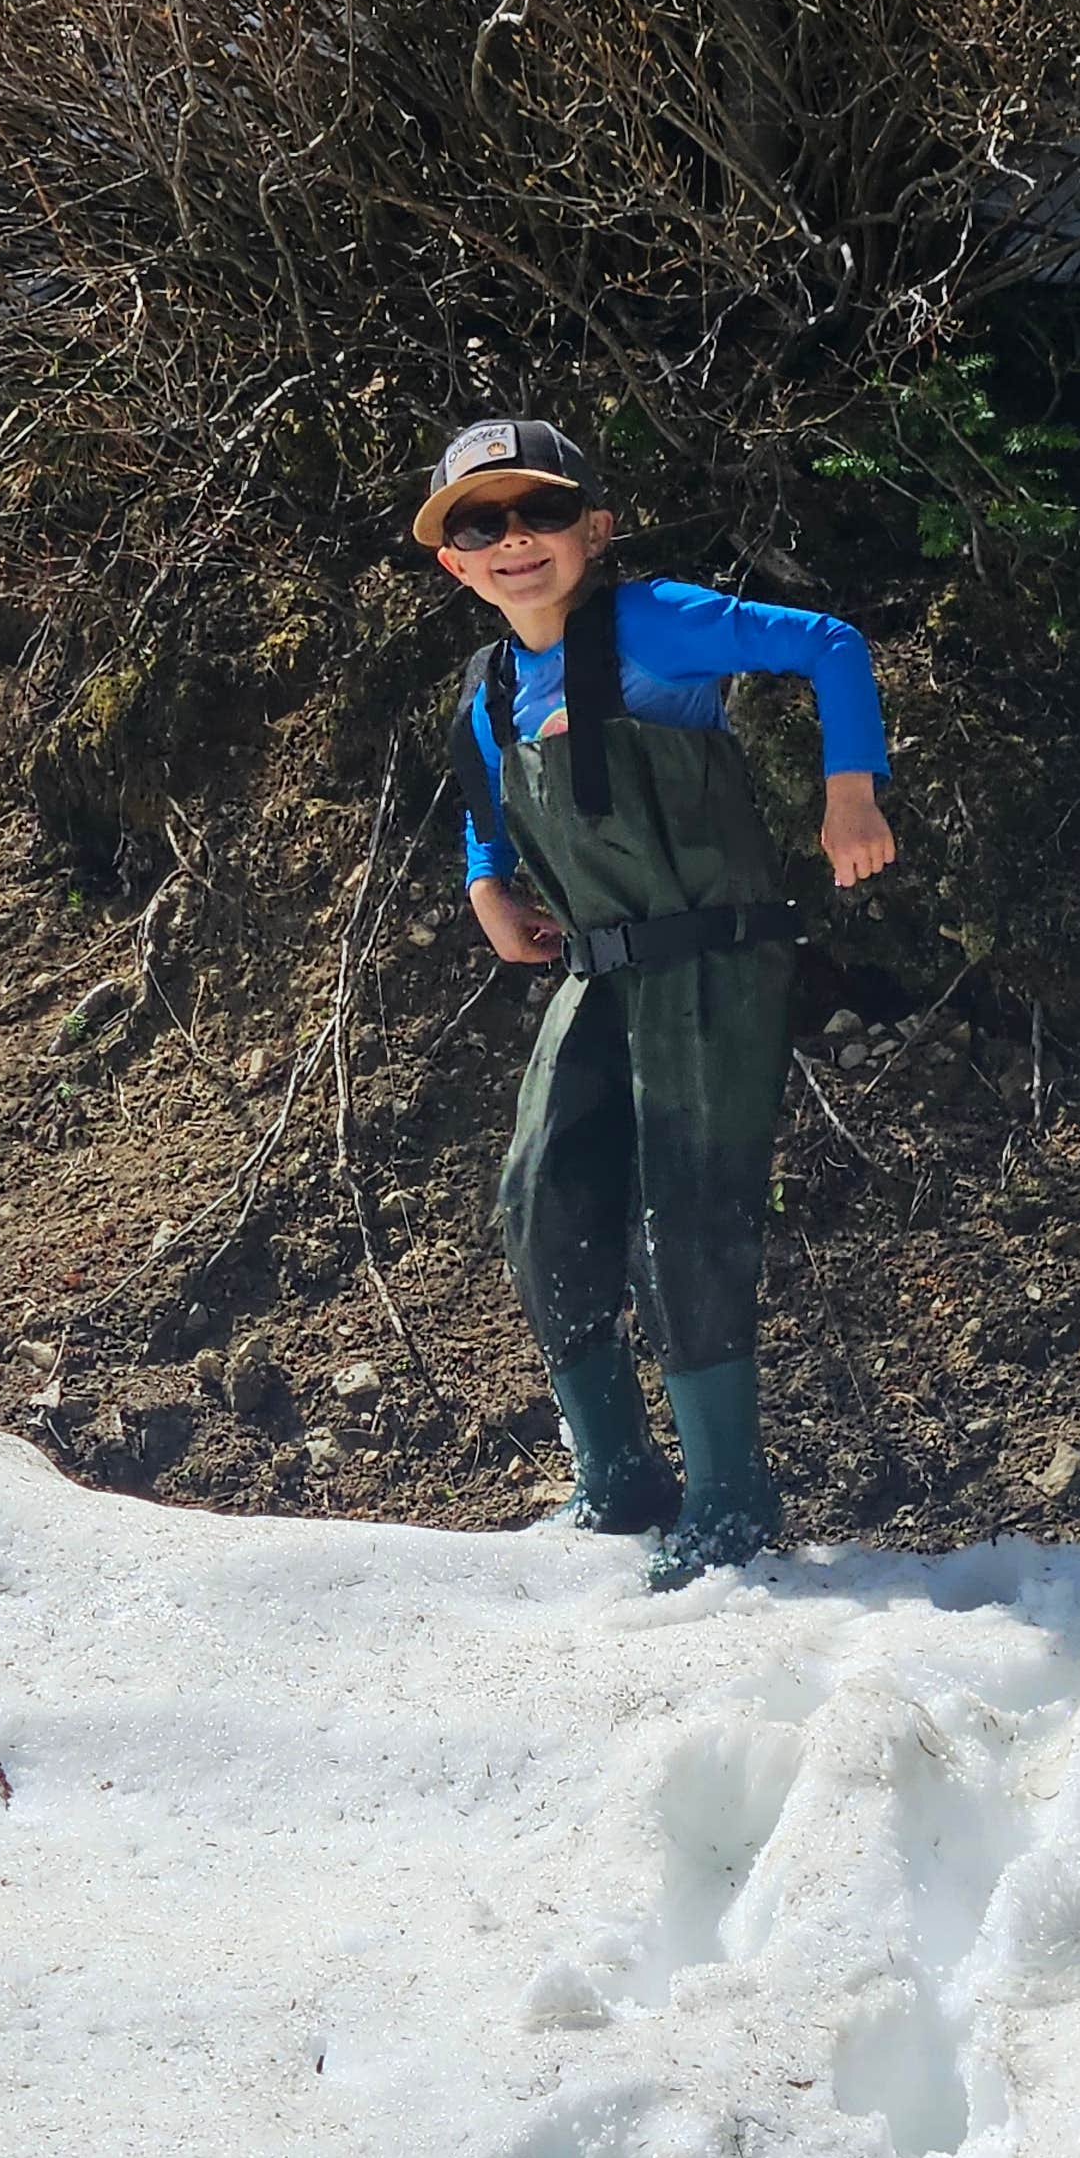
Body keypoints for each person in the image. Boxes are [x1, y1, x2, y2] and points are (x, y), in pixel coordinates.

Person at [416, 415, 897, 1590]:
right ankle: (619, 1478)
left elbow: (830, 643)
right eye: (482, 524)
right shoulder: (487, 684)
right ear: (453, 560)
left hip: (714, 961)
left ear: (595, 529)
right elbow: (487, 800)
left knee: (685, 1210)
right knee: (539, 1194)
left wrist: (850, 793)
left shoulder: (651, 621)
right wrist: (487, 884)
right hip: (600, 966)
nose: (514, 540)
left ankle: (731, 1495)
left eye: (539, 513)